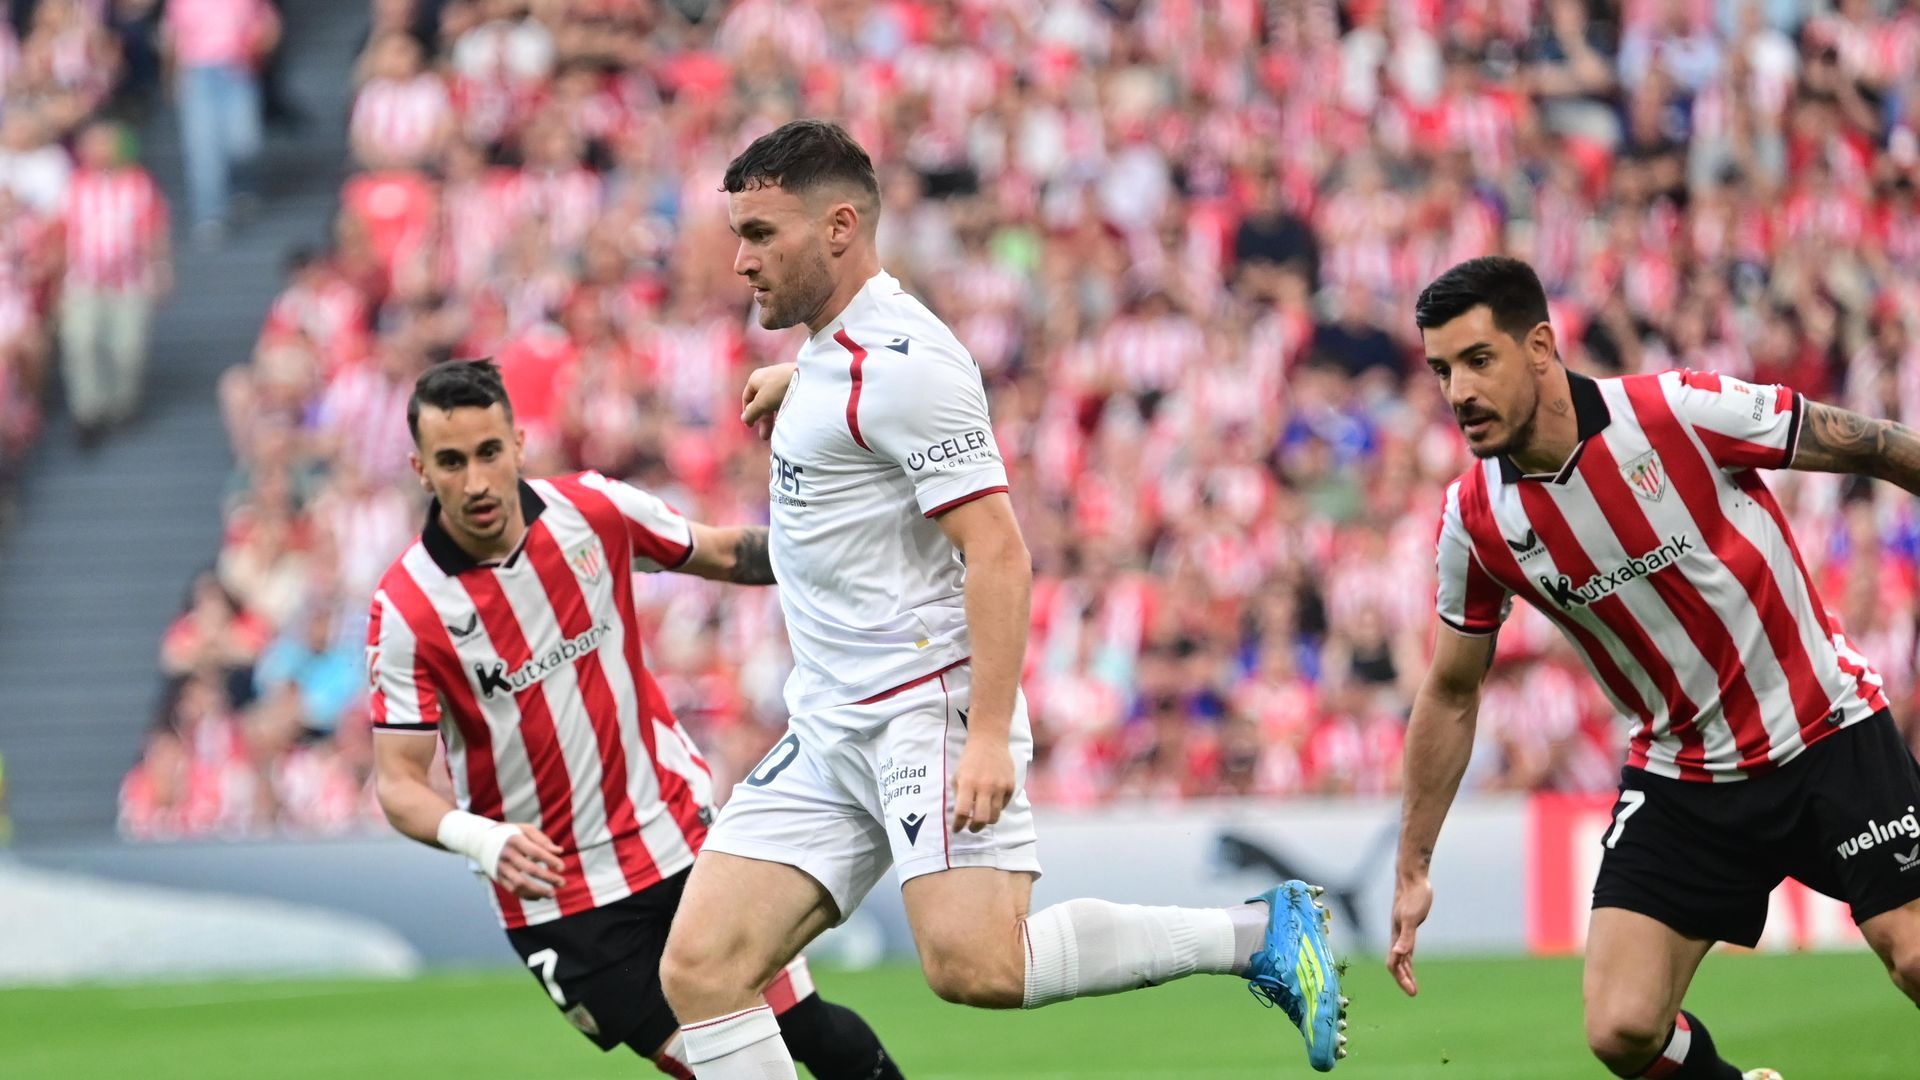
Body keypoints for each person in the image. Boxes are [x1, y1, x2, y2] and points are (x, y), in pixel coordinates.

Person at [656, 119, 1347, 1080]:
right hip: (829, 724)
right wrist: (802, 383)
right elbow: (854, 396)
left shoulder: (908, 368)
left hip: (921, 711)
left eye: (762, 234)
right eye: (739, 234)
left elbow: (999, 553)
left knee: (978, 965)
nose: (740, 260)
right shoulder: (833, 356)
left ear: (840, 228)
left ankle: (1259, 933)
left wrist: (984, 735)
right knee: (700, 970)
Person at [1388, 256, 1920, 1080]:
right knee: (1621, 1028)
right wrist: (1415, 863)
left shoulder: (1675, 411)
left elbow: (1873, 445)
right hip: (1685, 778)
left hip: (1825, 731)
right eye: (1442, 370)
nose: (1459, 391)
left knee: (1913, 955)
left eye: (1478, 360)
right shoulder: (1475, 520)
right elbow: (1452, 691)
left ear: (1539, 348)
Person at [367, 359, 903, 1080]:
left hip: (678, 836)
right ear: (421, 470)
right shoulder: (407, 608)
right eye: (451, 462)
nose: (476, 482)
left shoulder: (592, 511)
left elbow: (726, 553)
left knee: (805, 1027)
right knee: (718, 1069)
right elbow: (398, 783)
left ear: (519, 444)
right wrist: (481, 838)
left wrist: (856, 546)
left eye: (489, 452)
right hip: (561, 897)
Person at [58, 119, 170, 446]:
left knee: (128, 347)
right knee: (81, 342)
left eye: (105, 142)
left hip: (130, 280)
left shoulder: (139, 183)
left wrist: (162, 270)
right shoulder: (73, 184)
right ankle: (87, 412)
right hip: (83, 280)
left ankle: (122, 406)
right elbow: (60, 234)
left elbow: (155, 230)